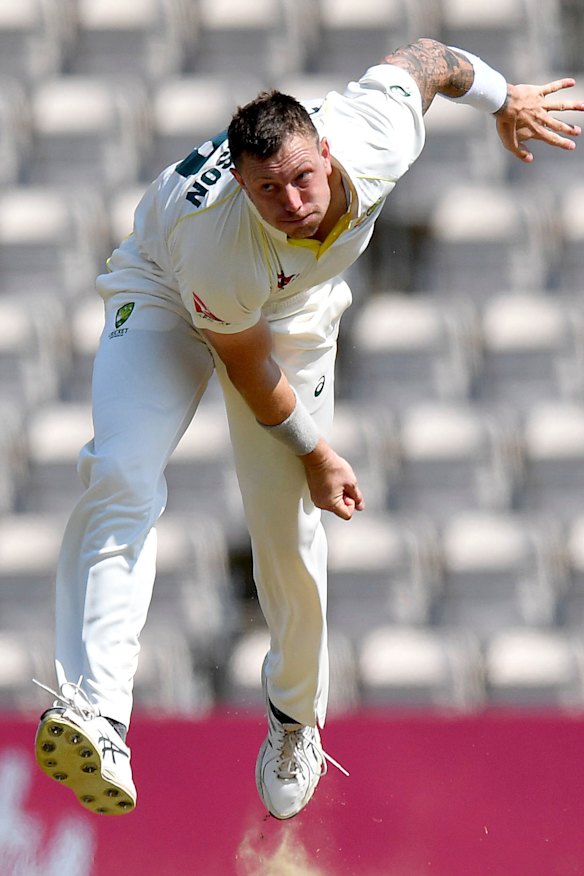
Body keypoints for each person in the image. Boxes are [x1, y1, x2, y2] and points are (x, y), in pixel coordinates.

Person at [34, 38, 583, 819]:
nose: (293, 202)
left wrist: (505, 97)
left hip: (293, 313)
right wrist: (320, 454)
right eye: (268, 190)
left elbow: (429, 59)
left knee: (286, 529)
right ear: (243, 188)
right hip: (169, 291)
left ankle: (294, 721)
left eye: (301, 177)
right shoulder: (221, 240)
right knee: (121, 472)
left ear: (326, 151)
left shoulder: (375, 133)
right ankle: (98, 713)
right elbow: (249, 370)